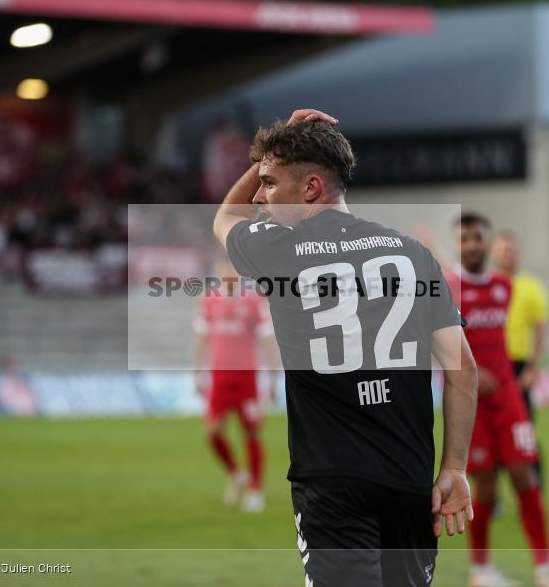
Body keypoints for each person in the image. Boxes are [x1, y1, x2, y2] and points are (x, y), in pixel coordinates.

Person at [213, 109, 479, 587]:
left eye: (270, 183)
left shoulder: (278, 250)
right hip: (409, 480)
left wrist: (277, 146)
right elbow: (463, 367)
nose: (259, 195)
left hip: (331, 482)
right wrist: (454, 468)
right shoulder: (413, 254)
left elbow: (228, 215)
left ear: (310, 188)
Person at [446, 213, 549, 587]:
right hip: (470, 405)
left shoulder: (504, 287)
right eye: (464, 239)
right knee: (484, 486)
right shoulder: (447, 288)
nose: (471, 245)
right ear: (457, 244)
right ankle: (481, 570)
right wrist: (466, 372)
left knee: (525, 474)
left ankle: (545, 569)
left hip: (509, 398)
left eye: (478, 238)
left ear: (489, 242)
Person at [192, 256, 279, 513]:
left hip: (246, 378)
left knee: (251, 432)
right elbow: (200, 339)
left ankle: (255, 490)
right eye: (222, 269)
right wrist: (196, 374)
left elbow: (267, 341)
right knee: (212, 432)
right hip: (219, 378)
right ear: (217, 272)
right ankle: (236, 473)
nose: (227, 274)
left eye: (231, 269)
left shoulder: (254, 302)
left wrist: (273, 379)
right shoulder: (208, 301)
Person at [491, 231, 549, 485]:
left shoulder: (531, 287)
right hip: (489, 366)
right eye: (503, 250)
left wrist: (533, 368)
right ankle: (489, 495)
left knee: (524, 430)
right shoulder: (485, 283)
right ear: (494, 254)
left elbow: (540, 331)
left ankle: (535, 486)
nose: (507, 254)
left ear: (519, 253)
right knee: (487, 430)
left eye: (511, 250)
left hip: (517, 365)